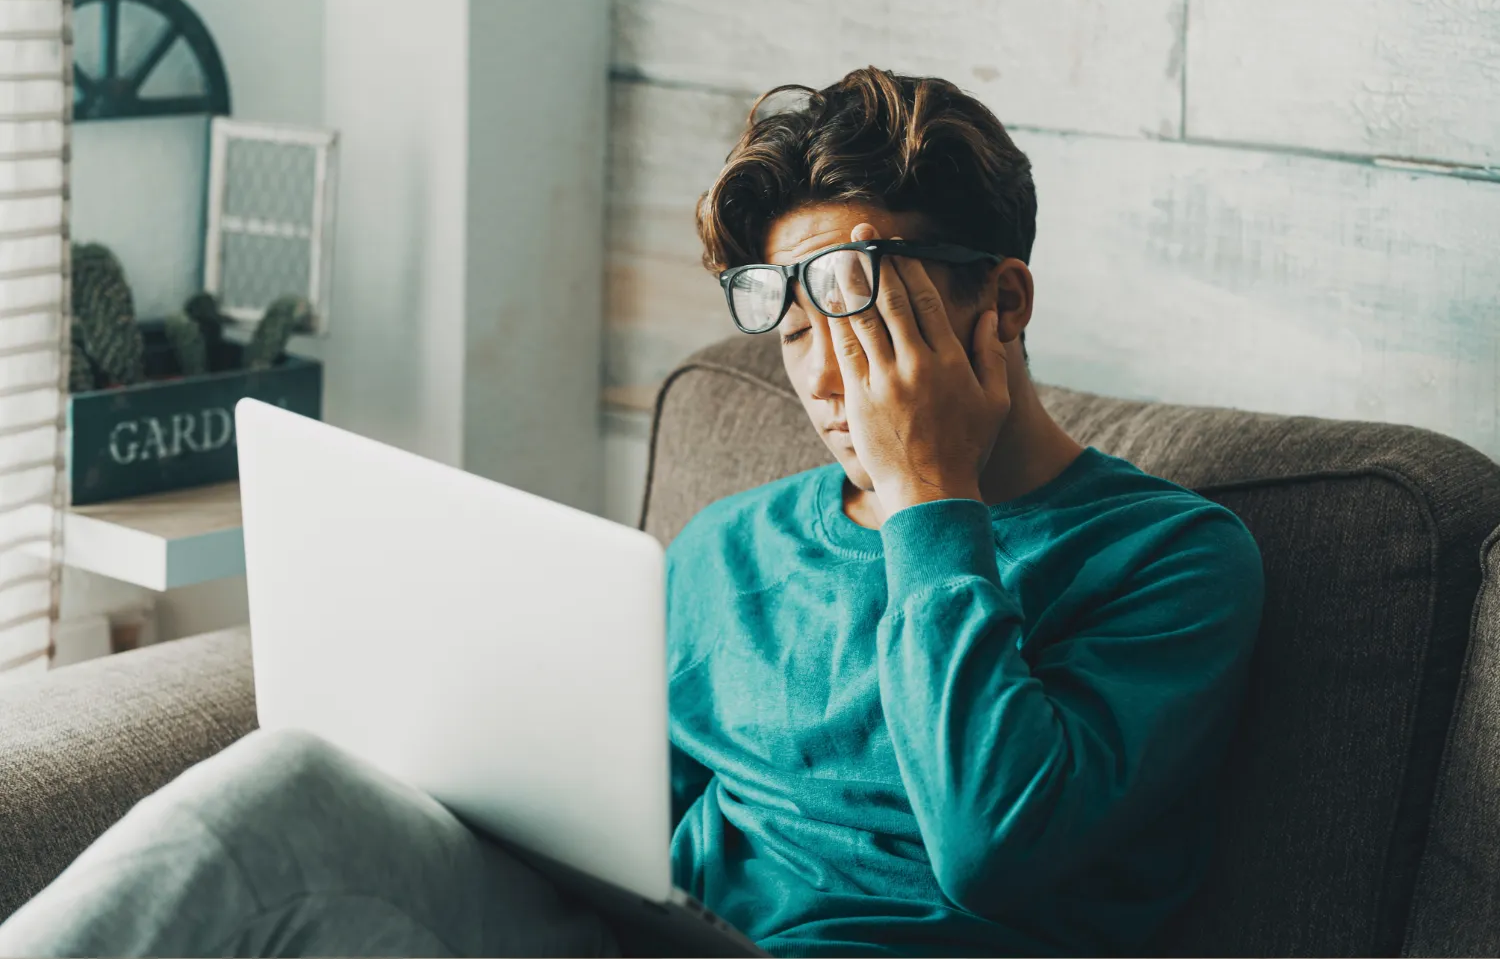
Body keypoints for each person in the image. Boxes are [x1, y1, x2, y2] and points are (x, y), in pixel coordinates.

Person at [0, 67, 1263, 958]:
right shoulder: (729, 549)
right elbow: (600, 825)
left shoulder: (1174, 561)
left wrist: (929, 495)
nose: (819, 367)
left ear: (1004, 303)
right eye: (786, 306)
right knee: (293, 795)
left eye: (855, 292)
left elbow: (997, 841)